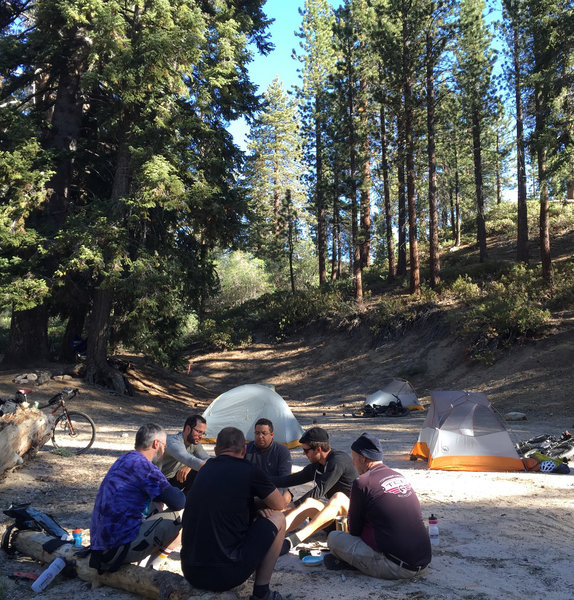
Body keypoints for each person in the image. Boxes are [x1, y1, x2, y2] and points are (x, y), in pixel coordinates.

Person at [181, 426, 286, 600]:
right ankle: (262, 593)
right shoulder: (249, 470)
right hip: (226, 574)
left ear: (215, 450)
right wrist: (259, 506)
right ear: (244, 449)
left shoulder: (204, 470)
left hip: (191, 571)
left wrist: (252, 506)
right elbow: (279, 503)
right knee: (278, 518)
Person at [325, 432, 431, 578]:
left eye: (354, 459)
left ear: (363, 459)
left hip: (397, 567)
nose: (353, 463)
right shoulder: (398, 476)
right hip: (423, 561)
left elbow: (355, 530)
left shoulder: (362, 482)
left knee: (334, 538)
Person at [89, 423, 186, 572]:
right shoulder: (146, 468)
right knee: (176, 517)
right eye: (164, 446)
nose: (164, 450)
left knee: (156, 504)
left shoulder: (124, 459)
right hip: (117, 550)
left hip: (99, 546)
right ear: (156, 444)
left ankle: (147, 563)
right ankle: (151, 569)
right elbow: (178, 501)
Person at [272, 426, 357, 553]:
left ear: (318, 449)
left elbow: (319, 491)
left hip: (353, 520)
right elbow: (291, 479)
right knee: (309, 504)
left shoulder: (338, 460)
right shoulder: (319, 464)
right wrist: (260, 480)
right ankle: (271, 531)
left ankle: (293, 540)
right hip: (334, 520)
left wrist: (290, 506)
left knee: (337, 497)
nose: (303, 454)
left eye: (306, 451)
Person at [245, 418, 292, 503]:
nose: (260, 436)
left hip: (273, 492)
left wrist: (273, 500)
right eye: (257, 433)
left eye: (264, 433)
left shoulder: (282, 451)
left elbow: (285, 480)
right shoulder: (246, 449)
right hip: (250, 492)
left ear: (272, 434)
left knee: (286, 496)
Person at [160, 414, 209, 493]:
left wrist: (189, 467)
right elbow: (187, 458)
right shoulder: (173, 442)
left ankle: (187, 502)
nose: (201, 436)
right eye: (199, 432)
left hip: (172, 480)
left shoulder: (194, 443)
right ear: (188, 428)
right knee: (177, 502)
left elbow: (207, 459)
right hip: (157, 482)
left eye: (203, 433)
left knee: (199, 473)